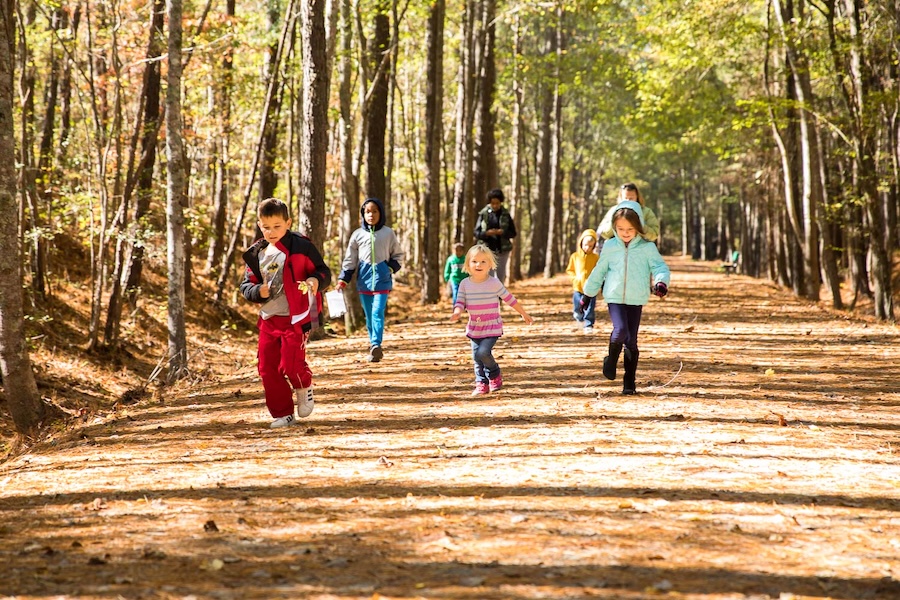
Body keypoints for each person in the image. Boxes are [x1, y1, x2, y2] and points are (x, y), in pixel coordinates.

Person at [239, 198, 332, 428]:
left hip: (297, 316)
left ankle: (304, 385)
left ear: (288, 223)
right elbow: (245, 285)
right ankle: (283, 414)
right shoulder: (257, 253)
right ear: (260, 225)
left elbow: (323, 272)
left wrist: (313, 281)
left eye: (277, 226)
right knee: (267, 368)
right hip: (269, 318)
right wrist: (256, 291)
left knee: (291, 365)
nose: (271, 232)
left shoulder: (301, 246)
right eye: (266, 227)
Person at [583, 200, 670, 395]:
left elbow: (659, 267)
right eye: (620, 228)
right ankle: (611, 360)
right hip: (614, 296)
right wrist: (588, 294)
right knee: (620, 329)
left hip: (636, 297)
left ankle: (629, 382)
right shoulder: (611, 246)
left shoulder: (647, 247)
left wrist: (661, 282)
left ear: (638, 225)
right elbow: (599, 271)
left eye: (630, 228)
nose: (625, 232)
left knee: (631, 341)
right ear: (614, 227)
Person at [450, 243, 534, 395]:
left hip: (491, 326)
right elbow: (460, 301)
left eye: (483, 261)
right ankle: (481, 383)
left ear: (490, 264)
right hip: (474, 326)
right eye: (474, 261)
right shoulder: (464, 284)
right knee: (476, 357)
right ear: (468, 264)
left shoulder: (494, 283)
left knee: (483, 352)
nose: (479, 265)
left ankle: (494, 374)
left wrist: (523, 313)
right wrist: (457, 312)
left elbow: (509, 298)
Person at [335, 197, 404, 363]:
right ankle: (374, 345)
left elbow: (398, 255)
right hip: (363, 281)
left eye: (374, 211)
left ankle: (376, 344)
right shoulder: (357, 235)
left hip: (382, 280)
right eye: (367, 212)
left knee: (377, 312)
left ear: (380, 213)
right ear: (363, 214)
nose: (371, 215)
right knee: (368, 315)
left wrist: (389, 269)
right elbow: (350, 259)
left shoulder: (388, 233)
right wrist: (343, 279)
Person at [473, 188, 517, 283]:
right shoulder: (483, 214)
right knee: (488, 276)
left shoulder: (505, 214)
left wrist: (503, 232)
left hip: (502, 250)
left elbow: (513, 233)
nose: (495, 205)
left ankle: (498, 296)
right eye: (493, 203)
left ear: (500, 202)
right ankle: (488, 296)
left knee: (500, 276)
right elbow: (476, 232)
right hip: (486, 250)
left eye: (497, 203)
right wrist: (487, 233)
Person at [566, 229, 600, 334]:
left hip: (591, 289)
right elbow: (570, 270)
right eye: (585, 245)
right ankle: (579, 320)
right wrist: (574, 279)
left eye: (590, 246)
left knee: (590, 308)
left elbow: (599, 271)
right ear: (581, 243)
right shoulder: (575, 256)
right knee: (577, 306)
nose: (587, 248)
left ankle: (588, 324)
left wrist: (597, 282)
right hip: (578, 288)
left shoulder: (596, 258)